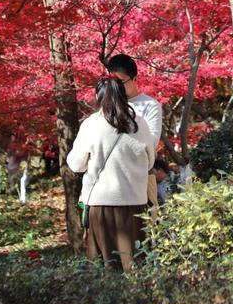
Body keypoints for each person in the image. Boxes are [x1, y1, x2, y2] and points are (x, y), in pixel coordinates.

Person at [66, 77, 152, 272]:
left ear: (98, 96)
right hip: (136, 203)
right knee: (135, 264)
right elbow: (151, 160)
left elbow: (75, 164)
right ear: (124, 96)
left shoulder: (91, 124)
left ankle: (108, 302)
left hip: (101, 205)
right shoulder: (138, 122)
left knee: (104, 266)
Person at [106, 54, 163, 207]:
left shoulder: (150, 105)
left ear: (135, 78)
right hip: (108, 182)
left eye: (121, 81)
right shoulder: (106, 108)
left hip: (140, 177)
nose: (116, 86)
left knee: (144, 227)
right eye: (113, 82)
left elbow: (152, 143)